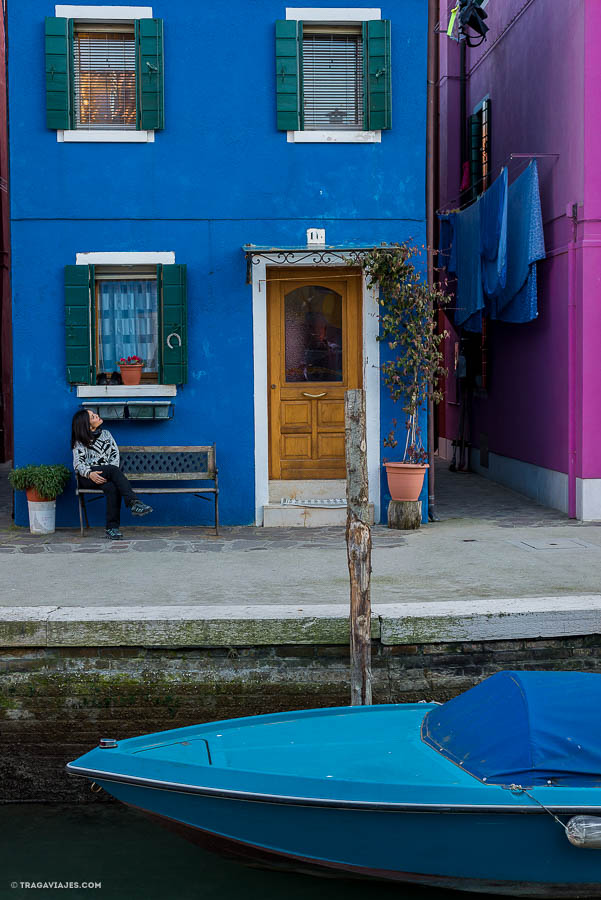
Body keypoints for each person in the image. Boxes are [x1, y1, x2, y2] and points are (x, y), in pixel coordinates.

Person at [71, 408, 152, 540]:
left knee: (112, 488)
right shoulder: (80, 442)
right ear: (87, 425)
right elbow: (78, 464)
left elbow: (115, 456)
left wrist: (108, 473)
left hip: (107, 474)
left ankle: (111, 528)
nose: (97, 415)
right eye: (92, 417)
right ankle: (133, 502)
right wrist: (89, 473)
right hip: (87, 477)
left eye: (94, 414)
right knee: (113, 471)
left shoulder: (106, 435)